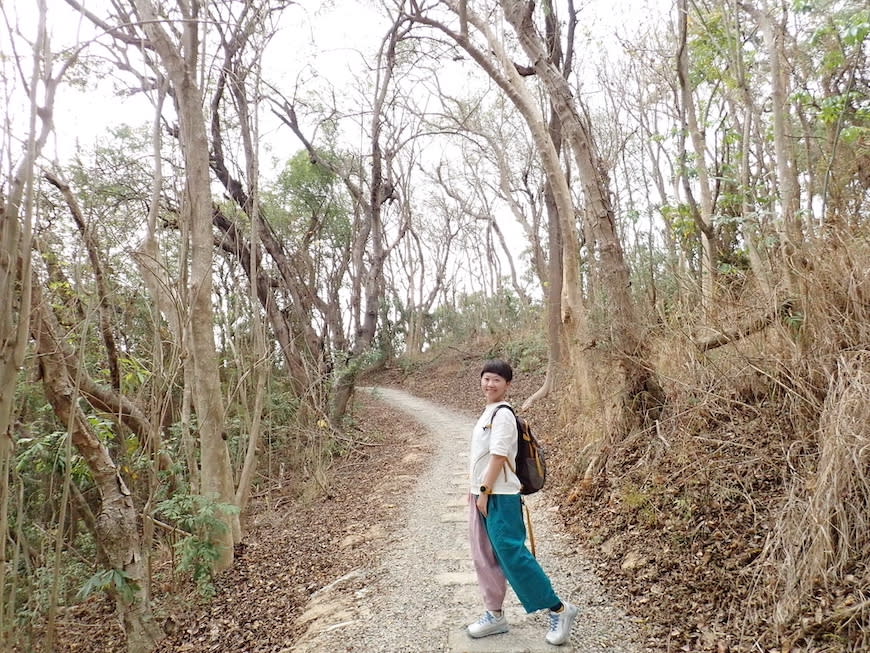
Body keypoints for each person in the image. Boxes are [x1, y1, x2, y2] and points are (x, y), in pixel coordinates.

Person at [466, 359, 578, 646]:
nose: (489, 384)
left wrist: (485, 490)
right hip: (481, 494)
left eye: (496, 380)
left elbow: (499, 455)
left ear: (508, 385)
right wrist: (477, 492)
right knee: (486, 558)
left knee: (512, 555)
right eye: (486, 378)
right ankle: (495, 614)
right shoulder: (488, 411)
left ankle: (559, 609)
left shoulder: (503, 414)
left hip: (498, 495)